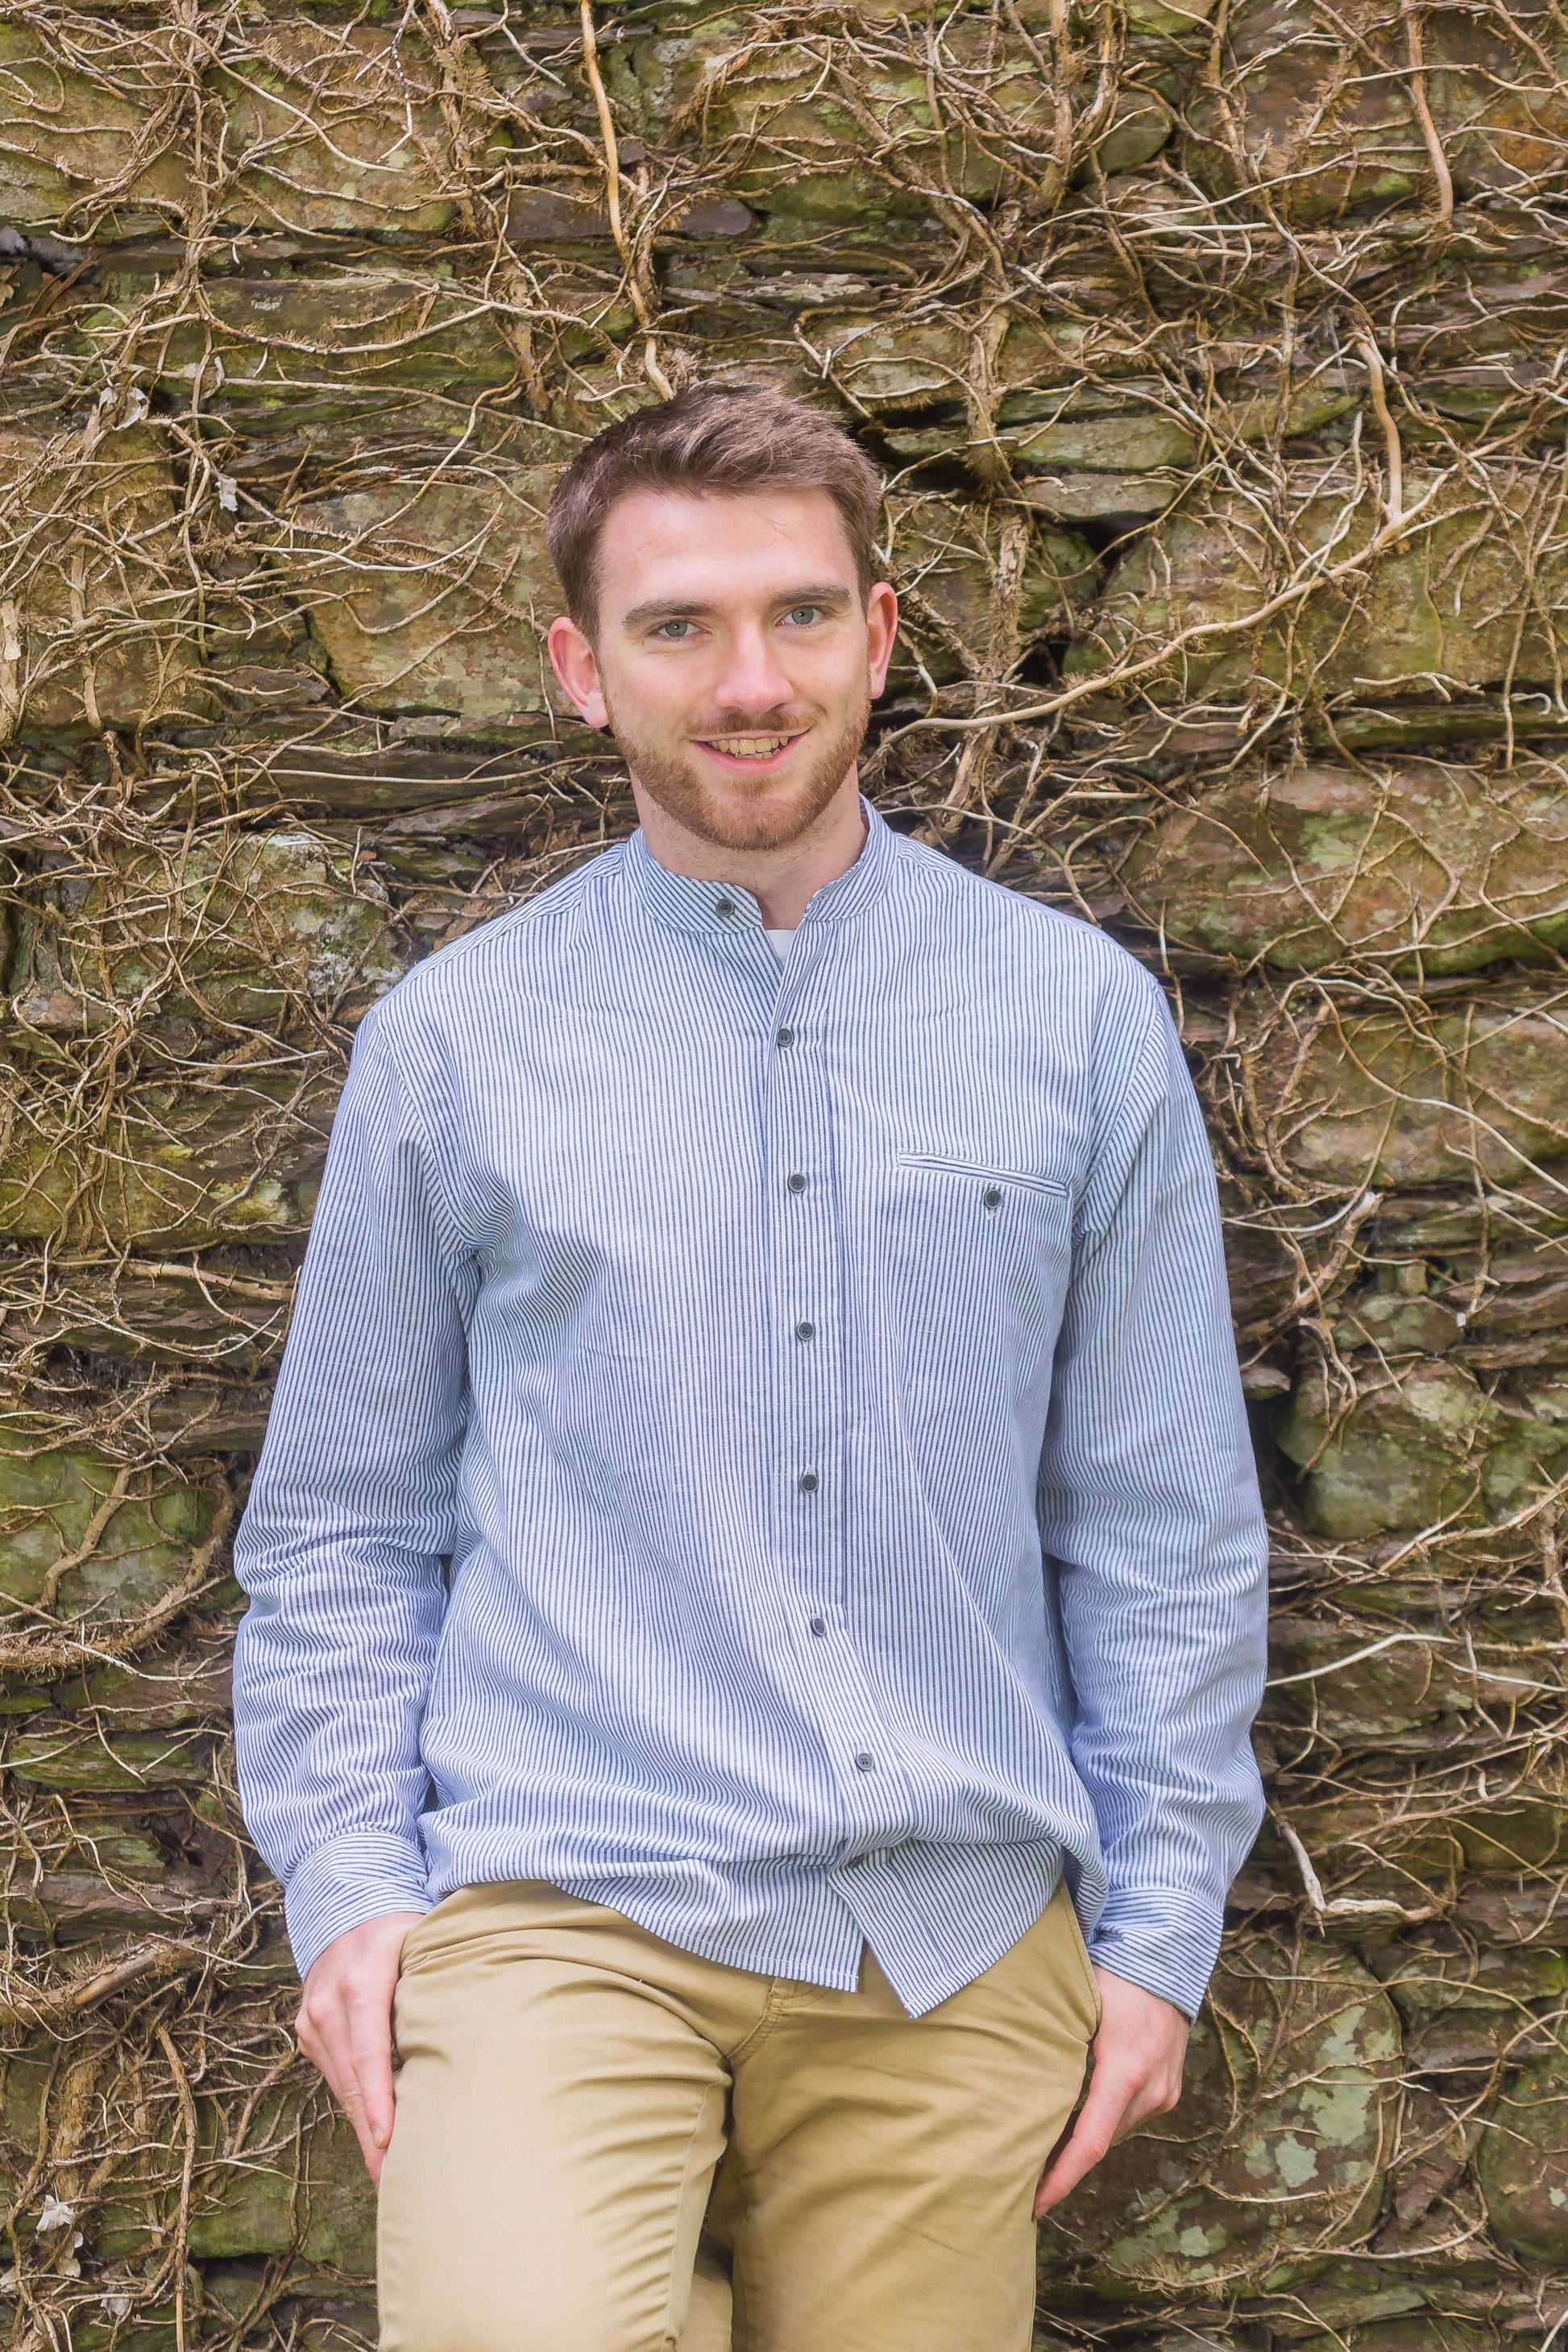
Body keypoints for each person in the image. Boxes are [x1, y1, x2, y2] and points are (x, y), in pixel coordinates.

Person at [232, 383, 1268, 2352]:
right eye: (676, 625)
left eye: (799, 614)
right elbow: (346, 1522)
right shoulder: (452, 1045)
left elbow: (1157, 1520)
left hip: (951, 1939)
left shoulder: (1075, 1024)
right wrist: (350, 1887)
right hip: (564, 1911)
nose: (748, 681)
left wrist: (1159, 1931)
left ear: (882, 634)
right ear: (577, 667)